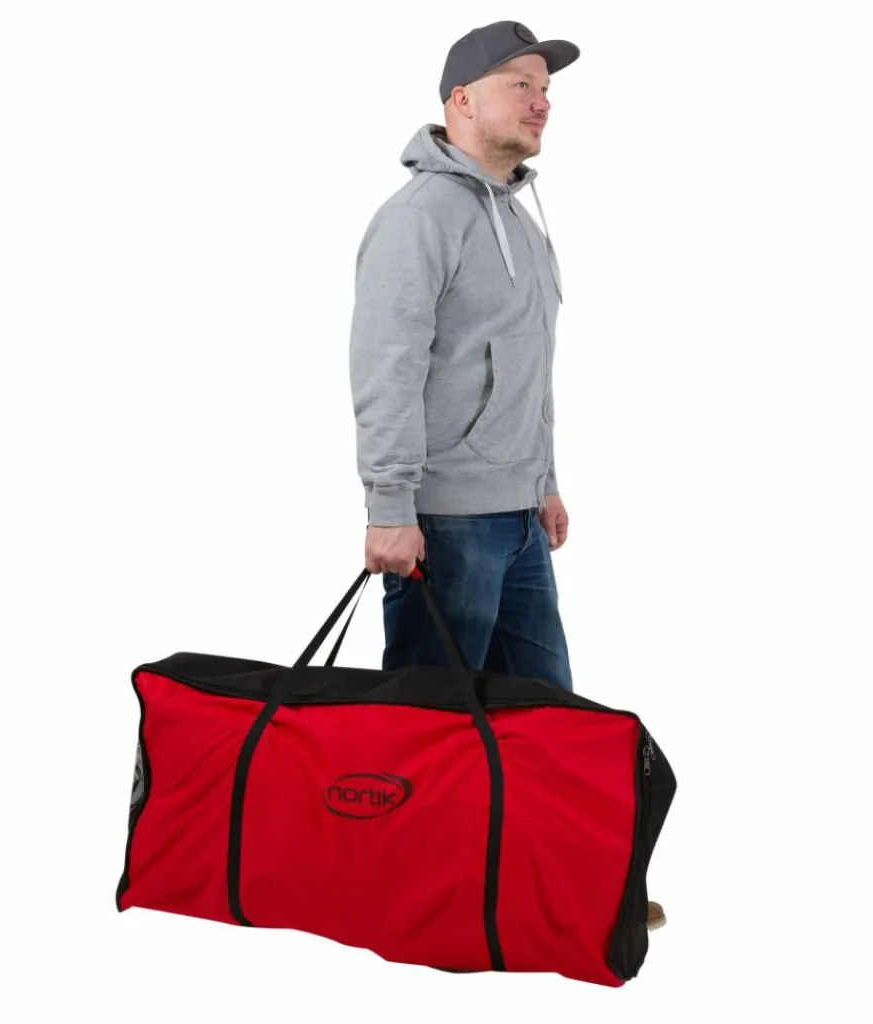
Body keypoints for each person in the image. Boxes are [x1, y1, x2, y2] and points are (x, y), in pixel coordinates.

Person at [348, 21, 666, 931]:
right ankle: (416, 900)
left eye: (546, 87)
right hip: (447, 523)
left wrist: (545, 479)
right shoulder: (419, 218)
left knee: (549, 717)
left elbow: (527, 365)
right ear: (461, 101)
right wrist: (389, 505)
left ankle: (555, 890)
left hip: (518, 517)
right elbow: (387, 368)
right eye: (520, 83)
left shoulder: (521, 218)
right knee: (432, 726)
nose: (542, 101)